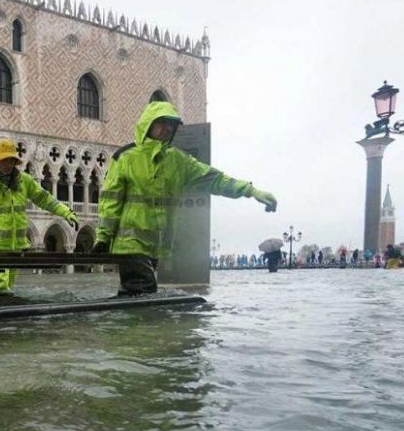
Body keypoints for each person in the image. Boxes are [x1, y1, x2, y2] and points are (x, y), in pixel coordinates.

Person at [94, 100, 277, 295]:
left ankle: (123, 323)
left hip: (155, 247)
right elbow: (111, 200)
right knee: (144, 292)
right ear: (148, 124)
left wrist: (251, 191)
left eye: (170, 125)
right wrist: (103, 238)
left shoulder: (178, 161)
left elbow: (215, 179)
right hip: (128, 244)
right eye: (161, 123)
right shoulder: (125, 157)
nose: (166, 128)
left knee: (136, 295)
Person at [0, 138, 79, 291]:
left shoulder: (23, 181)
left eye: (10, 160)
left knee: (8, 288)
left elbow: (44, 198)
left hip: (16, 247)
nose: (8, 164)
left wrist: (66, 212)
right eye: (4, 160)